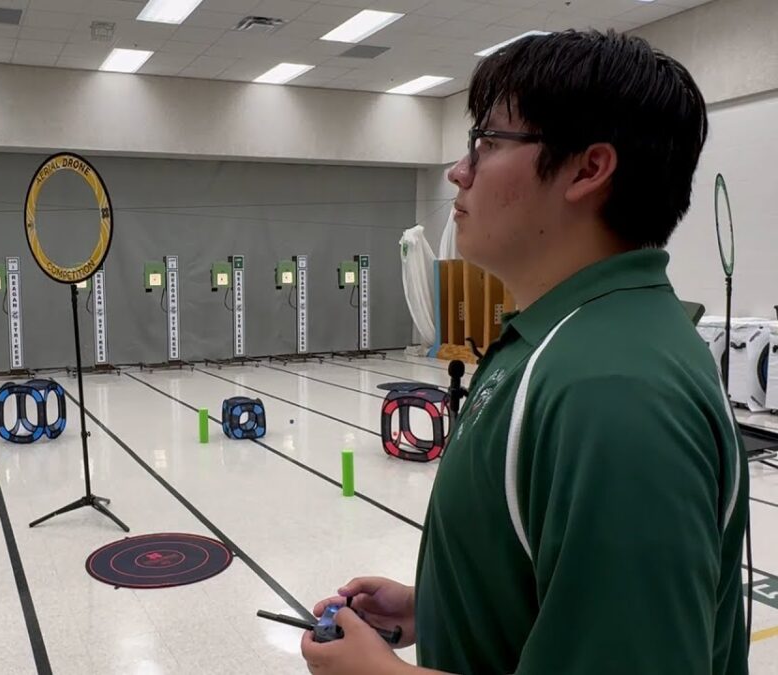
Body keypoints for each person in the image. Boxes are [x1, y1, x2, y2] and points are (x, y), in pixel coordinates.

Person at [301, 29, 748, 675]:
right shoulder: (559, 342)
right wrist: (443, 605)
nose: (459, 170)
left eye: (487, 142)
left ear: (588, 169)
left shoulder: (613, 389)